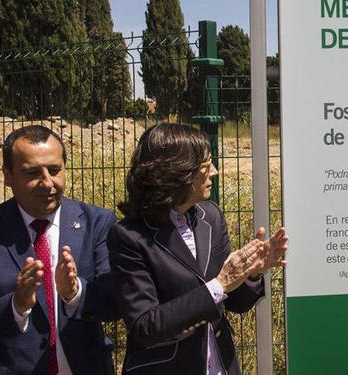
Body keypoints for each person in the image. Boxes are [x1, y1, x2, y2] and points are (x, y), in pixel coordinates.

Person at [107, 123, 288, 374]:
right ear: (176, 173)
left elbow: (236, 302)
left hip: (219, 364)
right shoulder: (129, 237)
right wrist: (219, 285)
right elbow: (146, 327)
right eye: (205, 166)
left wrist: (252, 272)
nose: (214, 172)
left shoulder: (210, 217)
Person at [0, 125, 118, 374]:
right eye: (32, 173)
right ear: (8, 176)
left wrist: (75, 293)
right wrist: (16, 306)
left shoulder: (97, 223)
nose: (47, 183)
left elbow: (114, 303)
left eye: (55, 170)